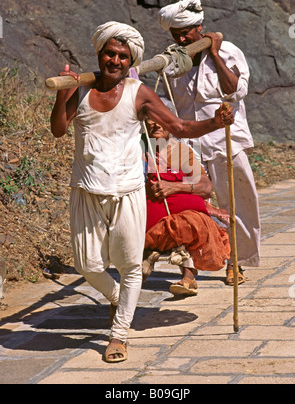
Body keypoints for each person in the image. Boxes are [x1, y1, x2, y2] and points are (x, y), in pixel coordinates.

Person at [50, 21, 234, 363]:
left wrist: (216, 122)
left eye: (123, 55)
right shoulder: (82, 91)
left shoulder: (139, 93)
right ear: (100, 53)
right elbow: (59, 130)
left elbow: (180, 127)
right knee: (87, 264)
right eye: (110, 53)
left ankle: (118, 336)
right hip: (87, 190)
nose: (116, 60)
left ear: (131, 58)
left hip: (128, 189)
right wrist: (63, 94)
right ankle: (121, 298)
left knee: (131, 265)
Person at [158, 0, 261, 285]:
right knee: (188, 205)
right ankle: (188, 270)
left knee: (236, 205)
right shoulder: (172, 60)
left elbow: (235, 90)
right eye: (176, 33)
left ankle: (235, 263)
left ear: (199, 27)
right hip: (187, 143)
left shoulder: (228, 51)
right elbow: (165, 100)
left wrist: (213, 54)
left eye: (186, 32)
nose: (181, 37)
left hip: (226, 140)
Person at [142, 117, 231, 295]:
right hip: (147, 220)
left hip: (178, 220)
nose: (157, 124)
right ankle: (145, 256)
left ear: (171, 125)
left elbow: (206, 187)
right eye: (150, 119)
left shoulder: (180, 152)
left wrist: (174, 187)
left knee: (190, 222)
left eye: (161, 119)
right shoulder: (138, 149)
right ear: (143, 123)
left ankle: (188, 276)